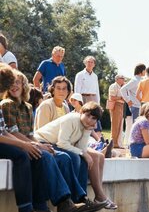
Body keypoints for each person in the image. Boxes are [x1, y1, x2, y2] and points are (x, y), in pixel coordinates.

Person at [0, 64, 100, 212]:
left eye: (18, 83)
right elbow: (12, 133)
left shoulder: (27, 107)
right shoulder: (7, 104)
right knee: (45, 157)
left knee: (66, 158)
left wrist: (36, 144)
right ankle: (57, 203)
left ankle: (74, 201)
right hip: (31, 143)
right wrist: (36, 145)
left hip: (36, 142)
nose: (14, 86)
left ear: (24, 86)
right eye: (11, 83)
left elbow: (28, 134)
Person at [108, 74, 126, 148]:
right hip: (116, 105)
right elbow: (112, 97)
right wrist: (121, 97)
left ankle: (117, 142)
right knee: (115, 124)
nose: (124, 79)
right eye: (122, 78)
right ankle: (114, 143)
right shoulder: (113, 86)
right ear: (117, 79)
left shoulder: (122, 86)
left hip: (121, 105)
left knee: (119, 125)